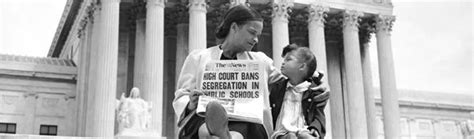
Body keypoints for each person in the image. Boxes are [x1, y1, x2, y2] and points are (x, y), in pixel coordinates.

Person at [172, 4, 328, 139]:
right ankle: (223, 133)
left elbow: (290, 82)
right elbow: (181, 96)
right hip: (204, 117)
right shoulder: (198, 58)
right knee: (206, 127)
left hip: (247, 122)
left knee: (231, 130)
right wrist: (191, 104)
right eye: (252, 32)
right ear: (234, 27)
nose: (256, 39)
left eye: (258, 35)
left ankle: (225, 134)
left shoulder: (261, 61)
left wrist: (317, 84)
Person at [269, 44, 329, 139]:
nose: (283, 63)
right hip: (281, 133)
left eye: (288, 59)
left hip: (304, 130)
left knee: (306, 137)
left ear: (302, 66)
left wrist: (315, 128)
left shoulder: (313, 90)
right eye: (284, 59)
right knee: (290, 137)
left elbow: (319, 114)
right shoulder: (278, 87)